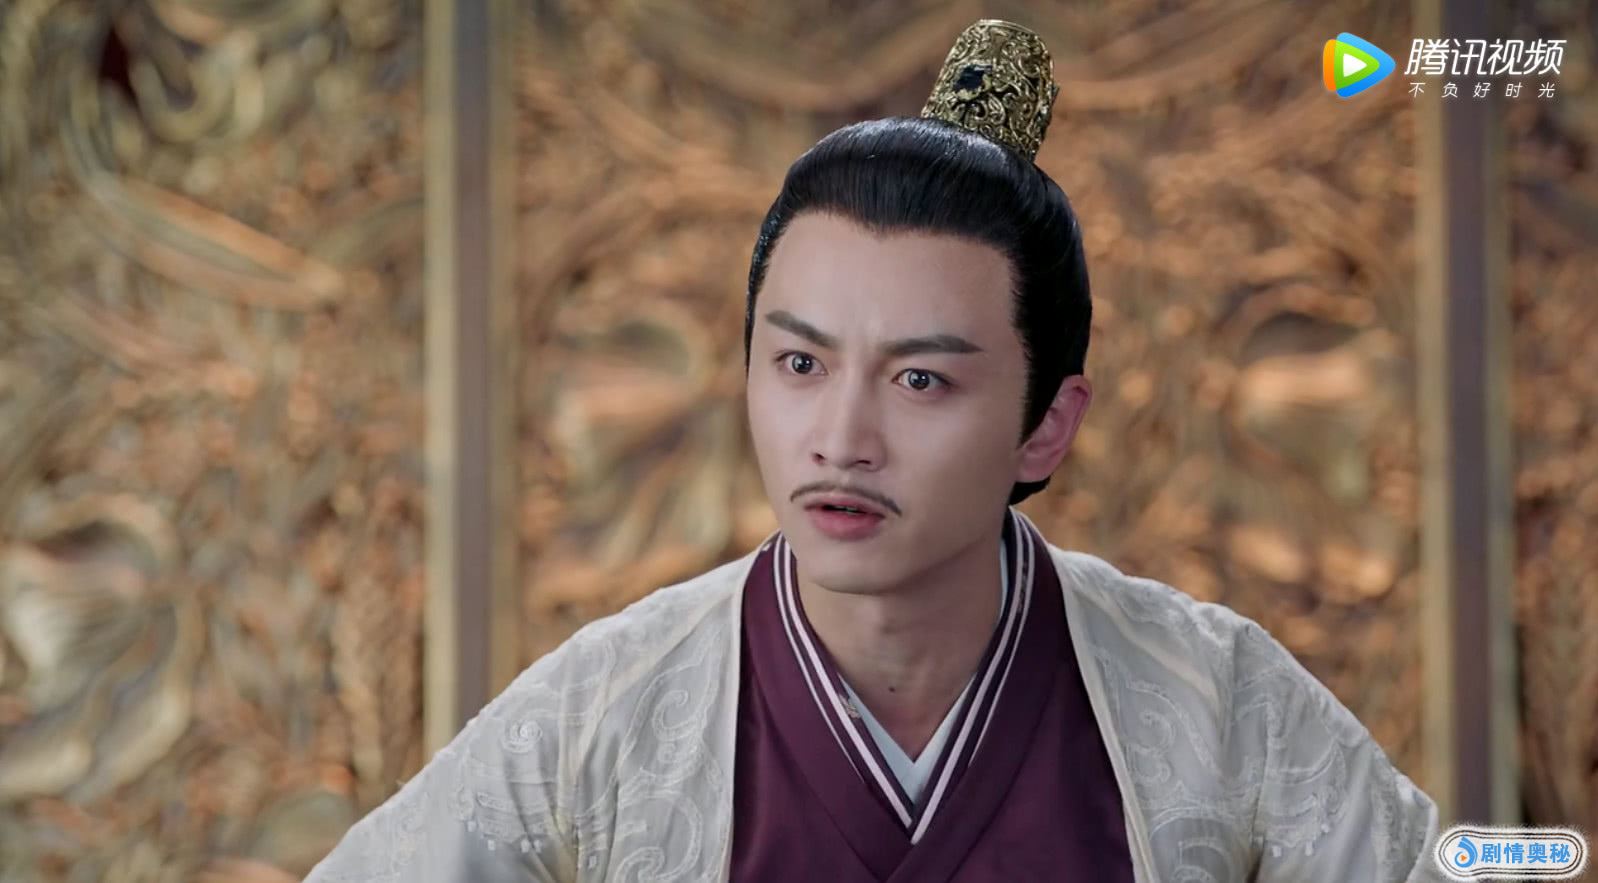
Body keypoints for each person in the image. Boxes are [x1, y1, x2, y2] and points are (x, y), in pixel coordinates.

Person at [306, 19, 1443, 882]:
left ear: (1046, 422)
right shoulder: (604, 717)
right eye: (800, 363)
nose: (841, 441)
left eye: (919, 380)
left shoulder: (1210, 700)